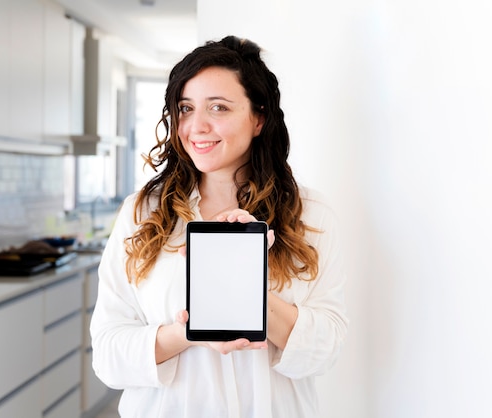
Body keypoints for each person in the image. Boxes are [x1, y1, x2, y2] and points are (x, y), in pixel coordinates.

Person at [90, 35, 348, 418]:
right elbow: (109, 356)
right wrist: (190, 332)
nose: (197, 126)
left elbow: (325, 352)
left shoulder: (311, 215)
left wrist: (244, 289)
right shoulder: (141, 213)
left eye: (219, 108)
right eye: (186, 107)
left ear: (258, 118)